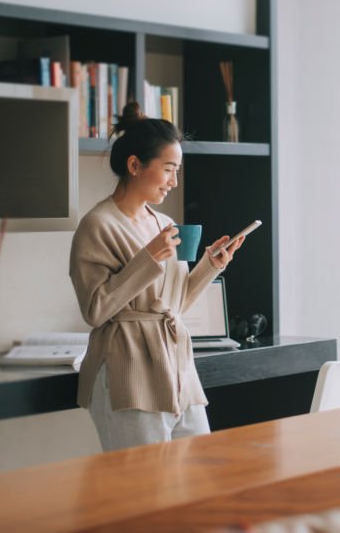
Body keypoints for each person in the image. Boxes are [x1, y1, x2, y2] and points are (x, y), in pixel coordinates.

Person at [69, 102, 245, 451]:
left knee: (199, 477)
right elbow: (96, 310)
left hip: (177, 367)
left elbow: (173, 304)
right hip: (128, 369)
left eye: (176, 170)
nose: (174, 182)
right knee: (143, 488)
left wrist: (211, 265)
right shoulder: (97, 226)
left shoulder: (163, 224)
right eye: (167, 170)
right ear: (135, 165)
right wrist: (148, 258)